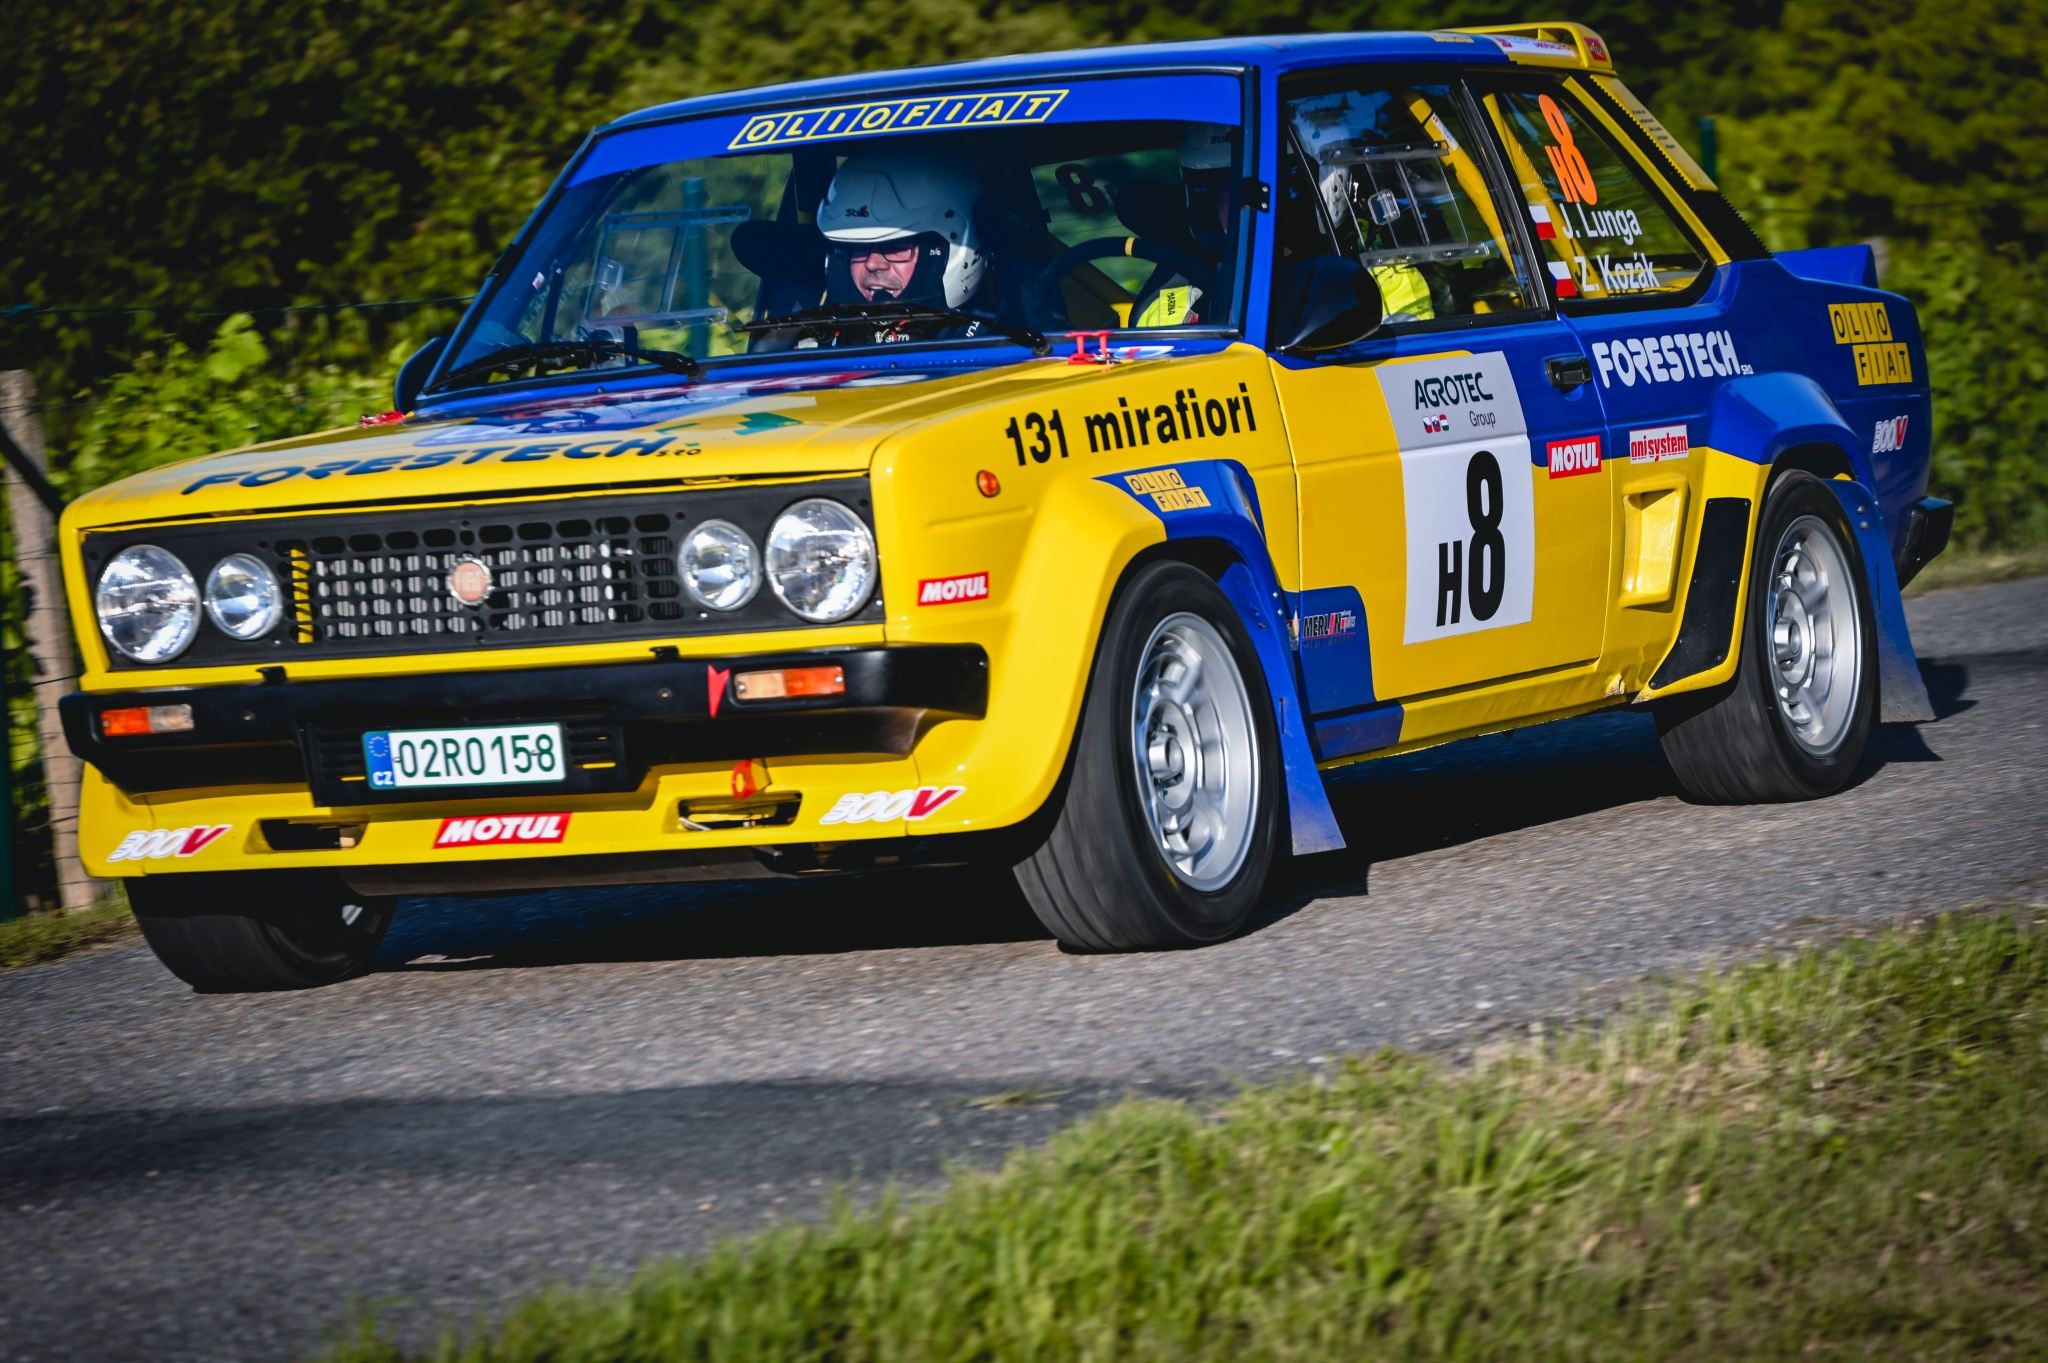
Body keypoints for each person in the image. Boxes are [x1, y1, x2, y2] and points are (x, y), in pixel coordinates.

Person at [814, 149, 994, 342]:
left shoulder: (999, 350)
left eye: (896, 246)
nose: (872, 264)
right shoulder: (812, 345)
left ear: (944, 254)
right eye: (859, 247)